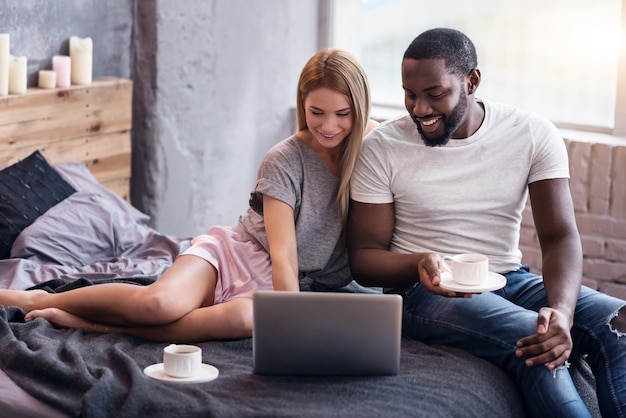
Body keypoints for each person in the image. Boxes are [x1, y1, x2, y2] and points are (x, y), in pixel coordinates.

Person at [0, 48, 378, 343]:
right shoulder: (284, 159)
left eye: (343, 114)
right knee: (159, 303)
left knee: (243, 319)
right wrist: (293, 327)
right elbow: (283, 253)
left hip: (297, 286)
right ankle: (38, 300)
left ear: (359, 109)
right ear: (302, 104)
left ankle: (97, 326)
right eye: (317, 112)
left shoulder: (372, 150)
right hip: (236, 257)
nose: (329, 126)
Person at [347, 28, 625, 417]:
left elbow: (560, 236)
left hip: (510, 279)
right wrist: (418, 261)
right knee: (534, 338)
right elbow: (362, 257)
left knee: (619, 323)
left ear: (472, 81)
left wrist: (562, 311)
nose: (419, 109)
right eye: (410, 94)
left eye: (434, 94)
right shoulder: (383, 148)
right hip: (425, 293)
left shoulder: (531, 134)